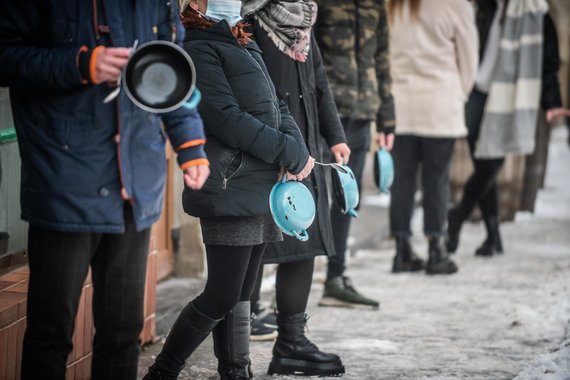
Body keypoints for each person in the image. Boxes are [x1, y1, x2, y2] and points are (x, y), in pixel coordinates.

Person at [0, 2, 210, 379]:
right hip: (64, 182)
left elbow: (169, 72)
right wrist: (81, 63)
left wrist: (190, 145)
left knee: (123, 333)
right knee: (50, 335)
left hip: (135, 185)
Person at [141, 0, 315, 378]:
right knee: (220, 294)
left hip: (262, 183)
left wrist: (297, 150)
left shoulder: (242, 40)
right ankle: (163, 371)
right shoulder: (197, 46)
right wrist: (286, 150)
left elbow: (276, 106)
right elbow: (225, 118)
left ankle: (236, 371)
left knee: (241, 296)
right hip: (229, 184)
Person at [242, 0, 348, 376]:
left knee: (303, 240)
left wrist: (334, 135)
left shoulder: (302, 19)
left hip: (304, 148)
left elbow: (318, 79)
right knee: (251, 244)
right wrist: (278, 146)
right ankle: (236, 349)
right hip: (265, 150)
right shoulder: (247, 18)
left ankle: (291, 342)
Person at [446, 0, 566, 257]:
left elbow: (548, 58)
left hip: (509, 95)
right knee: (483, 164)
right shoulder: (484, 5)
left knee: (490, 164)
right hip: (476, 92)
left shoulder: (536, 10)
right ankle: (493, 236)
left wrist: (552, 100)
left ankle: (457, 216)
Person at [387, 0, 478, 275]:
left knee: (402, 179)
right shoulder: (455, 4)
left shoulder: (392, 4)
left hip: (400, 102)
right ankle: (436, 248)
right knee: (437, 178)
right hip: (440, 100)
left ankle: (402, 249)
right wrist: (459, 92)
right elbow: (469, 57)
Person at [314, 0, 394, 309]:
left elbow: (383, 59)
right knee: (315, 195)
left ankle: (335, 278)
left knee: (348, 198)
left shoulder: (376, 5)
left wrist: (388, 118)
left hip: (362, 114)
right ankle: (291, 280)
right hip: (325, 114)